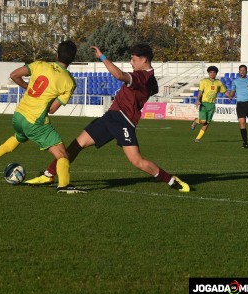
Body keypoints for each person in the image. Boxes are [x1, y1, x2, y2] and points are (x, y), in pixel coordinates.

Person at [25, 44, 190, 193]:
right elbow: (151, 90)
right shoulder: (150, 79)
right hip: (110, 117)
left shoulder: (142, 77)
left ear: (144, 60)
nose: (131, 62)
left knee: (137, 161)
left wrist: (102, 56)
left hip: (124, 121)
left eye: (133, 59)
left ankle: (171, 180)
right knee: (76, 145)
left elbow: (118, 75)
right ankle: (48, 174)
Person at [0, 40, 85, 194]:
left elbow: (14, 75)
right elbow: (52, 109)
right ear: (73, 59)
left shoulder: (40, 64)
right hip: (35, 121)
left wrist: (28, 87)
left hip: (19, 116)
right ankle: (64, 186)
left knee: (18, 137)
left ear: (57, 54)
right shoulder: (69, 82)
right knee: (63, 155)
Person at [191, 66, 230, 142]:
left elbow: (225, 91)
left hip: (212, 105)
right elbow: (200, 92)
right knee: (203, 121)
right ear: (208, 73)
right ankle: (196, 121)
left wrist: (230, 96)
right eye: (211, 72)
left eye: (214, 72)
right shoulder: (204, 81)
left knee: (206, 123)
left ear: (216, 73)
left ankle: (198, 138)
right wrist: (198, 100)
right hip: (204, 104)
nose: (212, 74)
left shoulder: (218, 82)